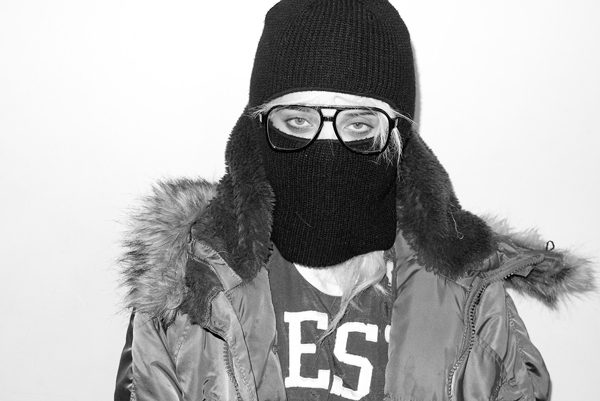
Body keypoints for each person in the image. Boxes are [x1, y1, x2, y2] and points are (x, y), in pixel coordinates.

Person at [114, 0, 594, 400]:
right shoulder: (186, 290)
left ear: (399, 138)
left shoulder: (470, 297)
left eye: (359, 124)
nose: (327, 145)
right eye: (298, 120)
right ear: (257, 129)